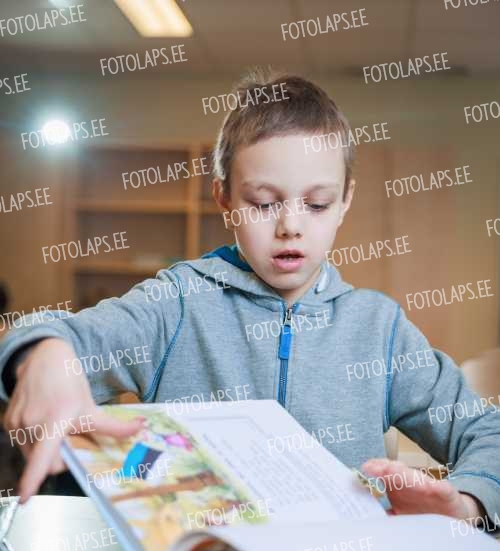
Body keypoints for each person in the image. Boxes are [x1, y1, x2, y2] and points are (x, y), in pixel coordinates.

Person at [1, 70, 498, 527]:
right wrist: (40, 352)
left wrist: (467, 502)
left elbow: (487, 433)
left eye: (317, 203)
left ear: (346, 199)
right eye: (262, 202)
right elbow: (51, 335)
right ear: (224, 198)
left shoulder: (379, 329)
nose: (290, 226)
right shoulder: (176, 304)